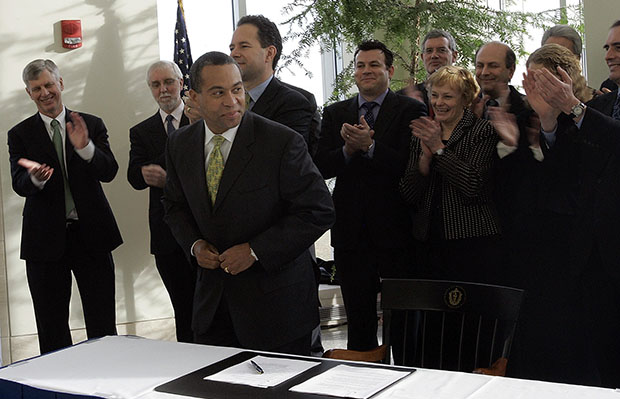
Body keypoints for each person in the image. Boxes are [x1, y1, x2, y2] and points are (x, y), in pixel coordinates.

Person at [162, 51, 334, 355]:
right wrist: (195, 245)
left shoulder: (281, 142)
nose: (232, 101)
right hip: (212, 309)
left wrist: (255, 251)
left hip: (277, 310)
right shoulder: (180, 144)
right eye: (218, 92)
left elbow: (318, 211)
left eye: (237, 89)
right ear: (194, 97)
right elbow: (174, 206)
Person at [315, 40, 427, 358]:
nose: (366, 71)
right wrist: (348, 150)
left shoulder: (411, 110)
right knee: (360, 326)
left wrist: (371, 147)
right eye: (360, 65)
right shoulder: (336, 113)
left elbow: (410, 164)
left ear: (389, 71)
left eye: (374, 65)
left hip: (397, 233)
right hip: (351, 235)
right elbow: (320, 165)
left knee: (403, 324)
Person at [522, 28, 620, 387]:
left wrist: (573, 108)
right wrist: (548, 119)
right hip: (596, 259)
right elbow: (567, 169)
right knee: (604, 364)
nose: (609, 53)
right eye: (607, 46)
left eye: (618, 46)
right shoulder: (600, 107)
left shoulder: (588, 109)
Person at [7, 59, 122, 355]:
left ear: (61, 83)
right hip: (44, 242)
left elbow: (109, 171)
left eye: (48, 85)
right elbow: (18, 183)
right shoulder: (19, 134)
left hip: (92, 237)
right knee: (51, 326)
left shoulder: (91, 124)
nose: (44, 93)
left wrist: (85, 148)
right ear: (28, 93)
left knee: (102, 324)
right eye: (36, 89)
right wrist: (34, 178)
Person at [127, 60, 195, 343]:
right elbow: (133, 176)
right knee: (183, 308)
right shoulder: (141, 131)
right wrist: (144, 173)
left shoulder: (200, 119)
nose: (163, 89)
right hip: (166, 234)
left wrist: (170, 177)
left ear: (181, 83)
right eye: (156, 85)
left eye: (168, 82)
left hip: (204, 228)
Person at [228, 15, 315, 147]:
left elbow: (285, 157)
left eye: (244, 46)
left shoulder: (293, 104)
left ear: (269, 53)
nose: (234, 54)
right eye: (232, 48)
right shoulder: (226, 101)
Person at [399, 29, 458, 112]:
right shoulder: (403, 98)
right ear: (423, 57)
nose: (434, 55)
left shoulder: (467, 95)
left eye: (441, 50)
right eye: (429, 51)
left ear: (454, 56)